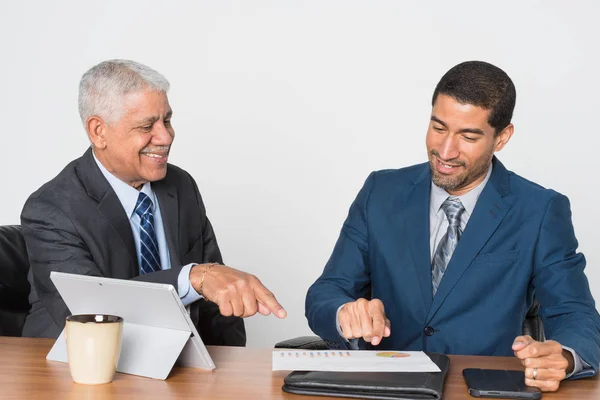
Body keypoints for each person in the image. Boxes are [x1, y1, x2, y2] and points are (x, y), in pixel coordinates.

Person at [305, 61, 600, 392]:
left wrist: (565, 356)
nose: (445, 151)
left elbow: (575, 313)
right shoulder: (380, 192)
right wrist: (344, 312)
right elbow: (324, 292)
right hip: (386, 387)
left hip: (480, 391)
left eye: (468, 136)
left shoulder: (540, 210)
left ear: (502, 137)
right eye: (439, 127)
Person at [21, 59, 286, 345]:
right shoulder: (51, 209)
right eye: (147, 125)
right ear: (99, 131)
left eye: (167, 120)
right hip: (79, 371)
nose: (166, 136)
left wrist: (228, 368)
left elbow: (216, 300)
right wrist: (192, 278)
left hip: (178, 368)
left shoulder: (181, 186)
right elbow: (95, 314)